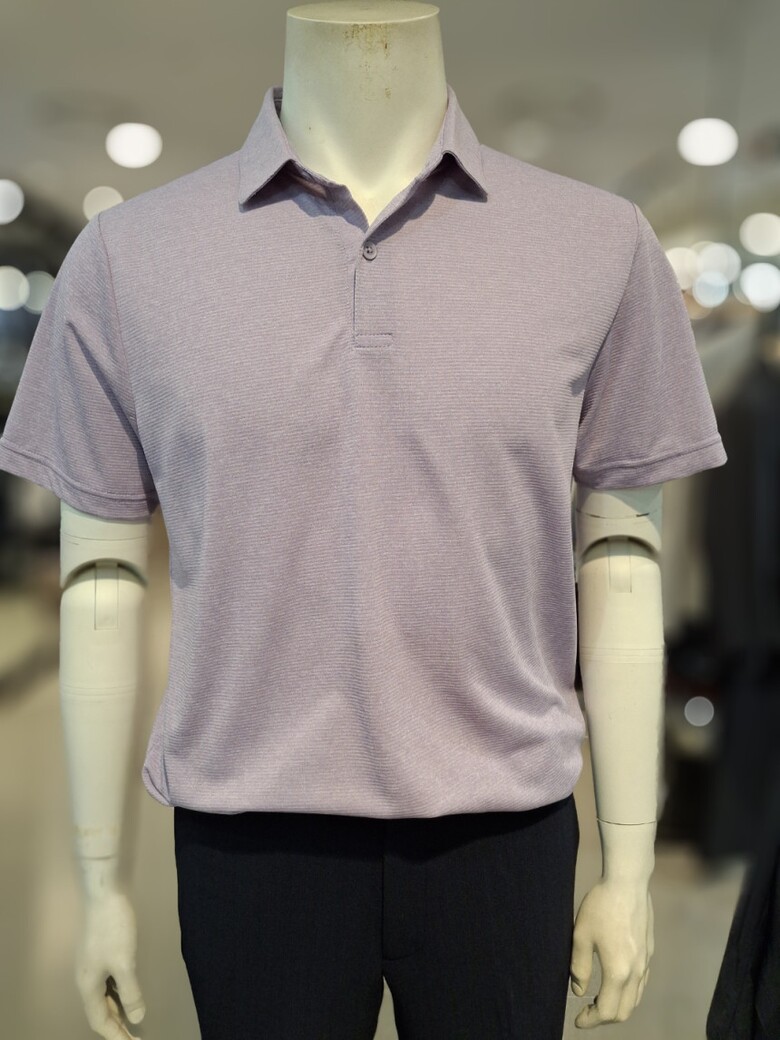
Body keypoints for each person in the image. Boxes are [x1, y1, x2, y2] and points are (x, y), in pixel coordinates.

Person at [0, 2, 727, 1037]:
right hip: (250, 833)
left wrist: (629, 863)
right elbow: (99, 574)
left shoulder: (599, 244)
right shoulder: (128, 258)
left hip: (503, 831)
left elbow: (623, 551)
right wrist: (100, 881)